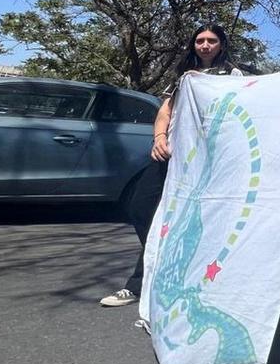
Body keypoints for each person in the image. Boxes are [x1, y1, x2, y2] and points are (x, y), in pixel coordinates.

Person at [100, 24, 243, 308]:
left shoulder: (233, 75)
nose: (204, 45)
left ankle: (139, 284)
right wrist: (159, 138)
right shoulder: (183, 75)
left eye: (211, 41)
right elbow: (165, 111)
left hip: (204, 160)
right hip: (171, 154)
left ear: (221, 44)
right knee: (141, 208)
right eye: (199, 40)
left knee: (191, 221)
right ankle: (161, 267)